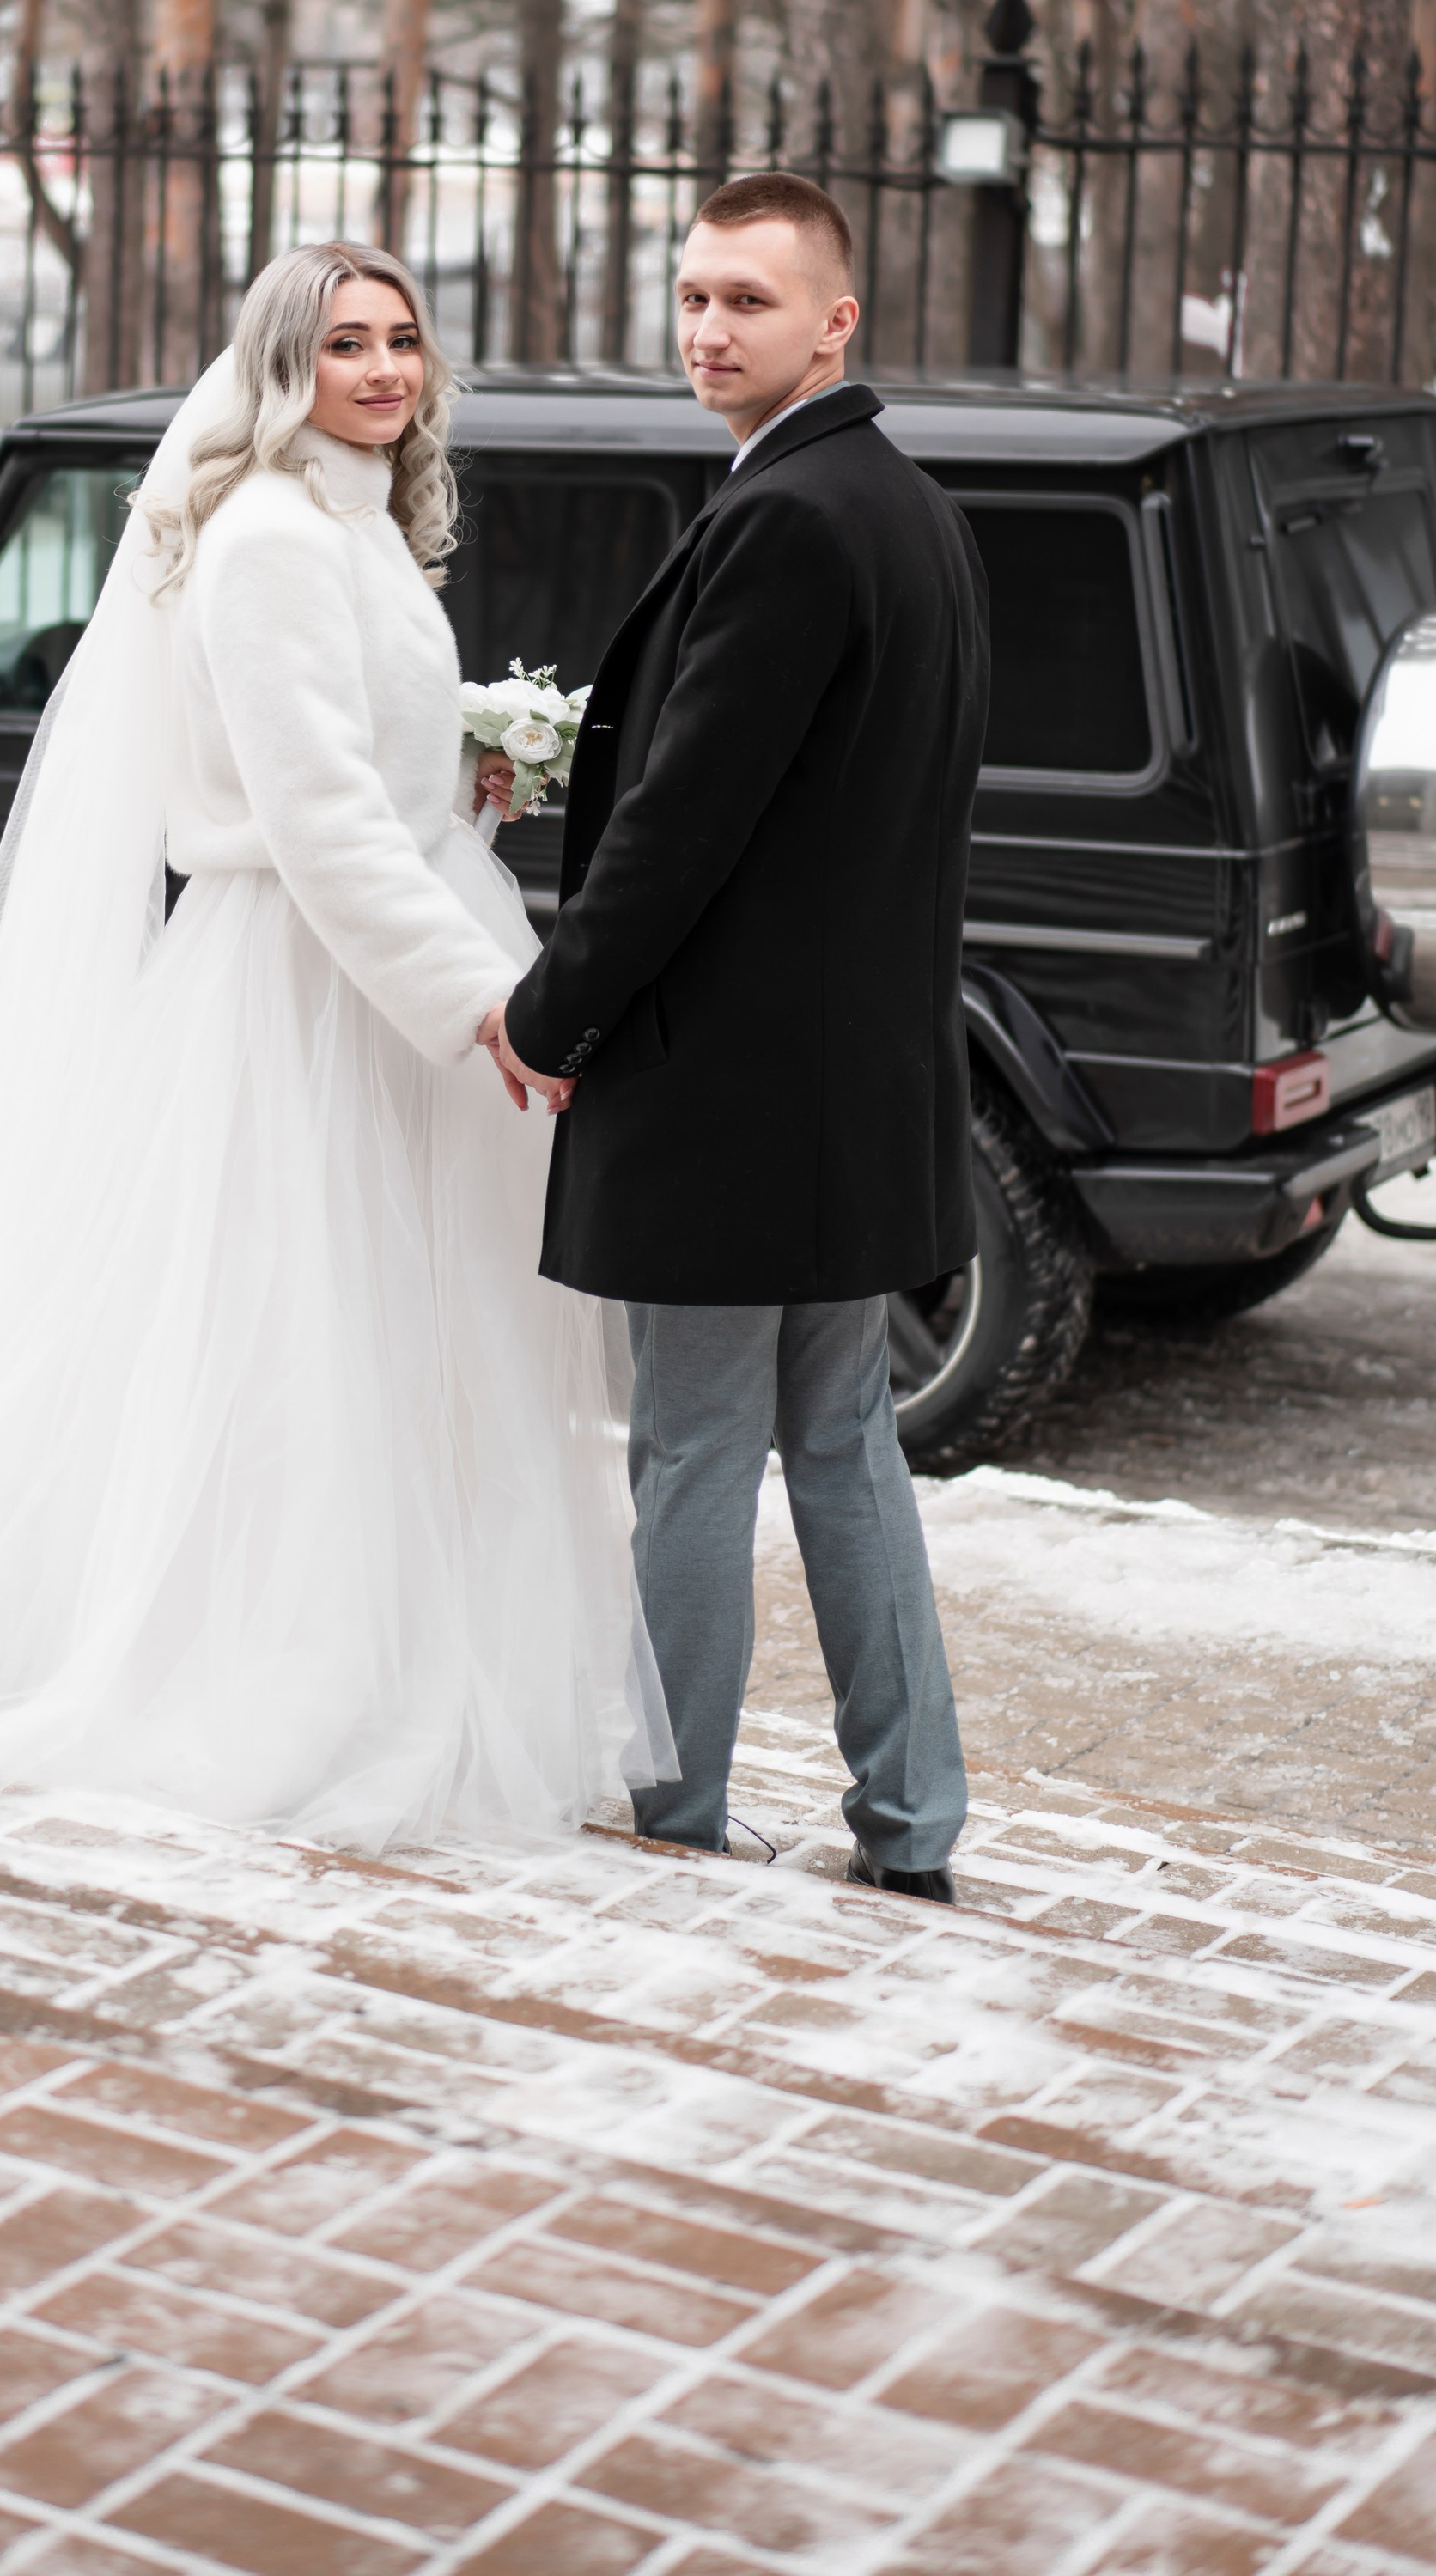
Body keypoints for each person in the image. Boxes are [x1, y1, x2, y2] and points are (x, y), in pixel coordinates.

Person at [0, 242, 672, 1855]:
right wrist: (470, 997)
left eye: (402, 340)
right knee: (295, 1337)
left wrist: (469, 768)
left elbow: (361, 759)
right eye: (345, 345)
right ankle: (284, 1665)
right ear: (284, 367)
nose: (385, 370)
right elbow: (315, 817)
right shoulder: (272, 534)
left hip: (379, 951)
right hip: (308, 986)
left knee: (394, 1337)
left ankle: (384, 1638)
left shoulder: (358, 523)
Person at [482, 173, 989, 1903]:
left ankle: (674, 1812)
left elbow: (680, 826)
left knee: (693, 1450)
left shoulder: (788, 519)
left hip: (722, 1091)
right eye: (692, 295)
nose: (706, 329)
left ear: (832, 321)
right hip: (849, 1090)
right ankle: (910, 1824)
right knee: (840, 1448)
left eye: (746, 302)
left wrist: (550, 1014)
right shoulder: (904, 506)